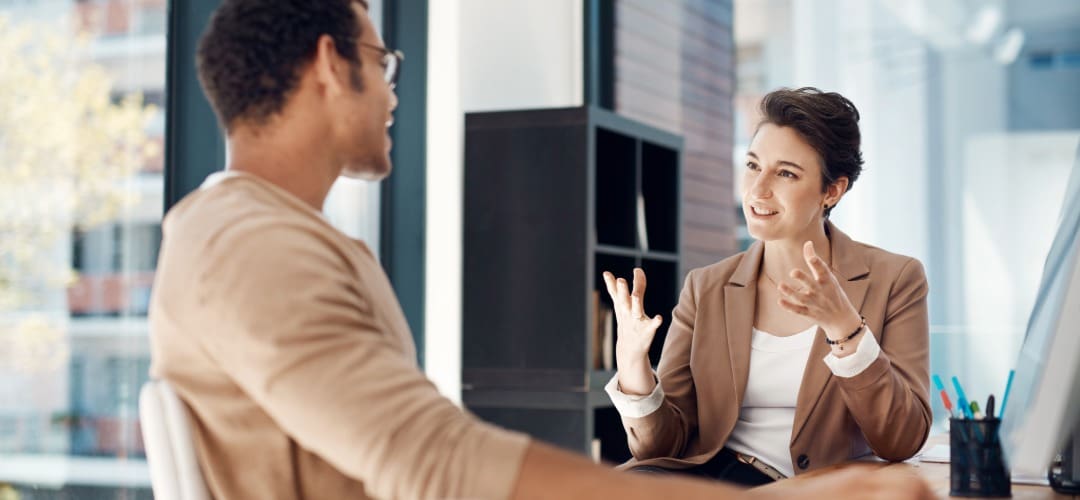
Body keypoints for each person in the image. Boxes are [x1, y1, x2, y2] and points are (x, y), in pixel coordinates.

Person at [147, 1, 934, 498]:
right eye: (383, 63)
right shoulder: (251, 246)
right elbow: (434, 463)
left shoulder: (282, 239)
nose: (393, 90)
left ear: (831, 189)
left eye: (785, 172)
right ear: (329, 66)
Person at [603, 87, 932, 485]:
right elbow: (663, 447)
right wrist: (634, 369)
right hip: (710, 480)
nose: (758, 190)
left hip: (811, 489)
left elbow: (902, 440)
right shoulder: (705, 287)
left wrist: (846, 329)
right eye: (753, 165)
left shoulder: (895, 280)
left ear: (832, 190)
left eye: (786, 173)